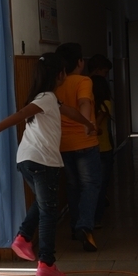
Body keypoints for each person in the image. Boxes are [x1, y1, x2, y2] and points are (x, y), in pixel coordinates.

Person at [0, 53, 97, 276]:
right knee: (49, 211)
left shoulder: (48, 98)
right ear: (60, 75)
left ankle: (23, 238)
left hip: (27, 160)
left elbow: (70, 111)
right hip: (42, 161)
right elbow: (22, 114)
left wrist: (87, 123)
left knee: (44, 203)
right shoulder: (46, 98)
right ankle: (46, 262)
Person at [55, 42, 101, 252]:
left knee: (73, 186)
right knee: (90, 185)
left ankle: (75, 227)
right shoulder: (83, 81)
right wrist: (86, 124)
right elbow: (84, 102)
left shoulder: (56, 83)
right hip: (85, 142)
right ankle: (84, 226)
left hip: (63, 143)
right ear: (80, 62)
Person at [91, 75, 114, 227]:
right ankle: (96, 218)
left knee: (90, 185)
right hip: (104, 148)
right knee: (101, 185)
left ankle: (91, 218)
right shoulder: (106, 104)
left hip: (90, 148)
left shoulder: (86, 104)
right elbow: (96, 126)